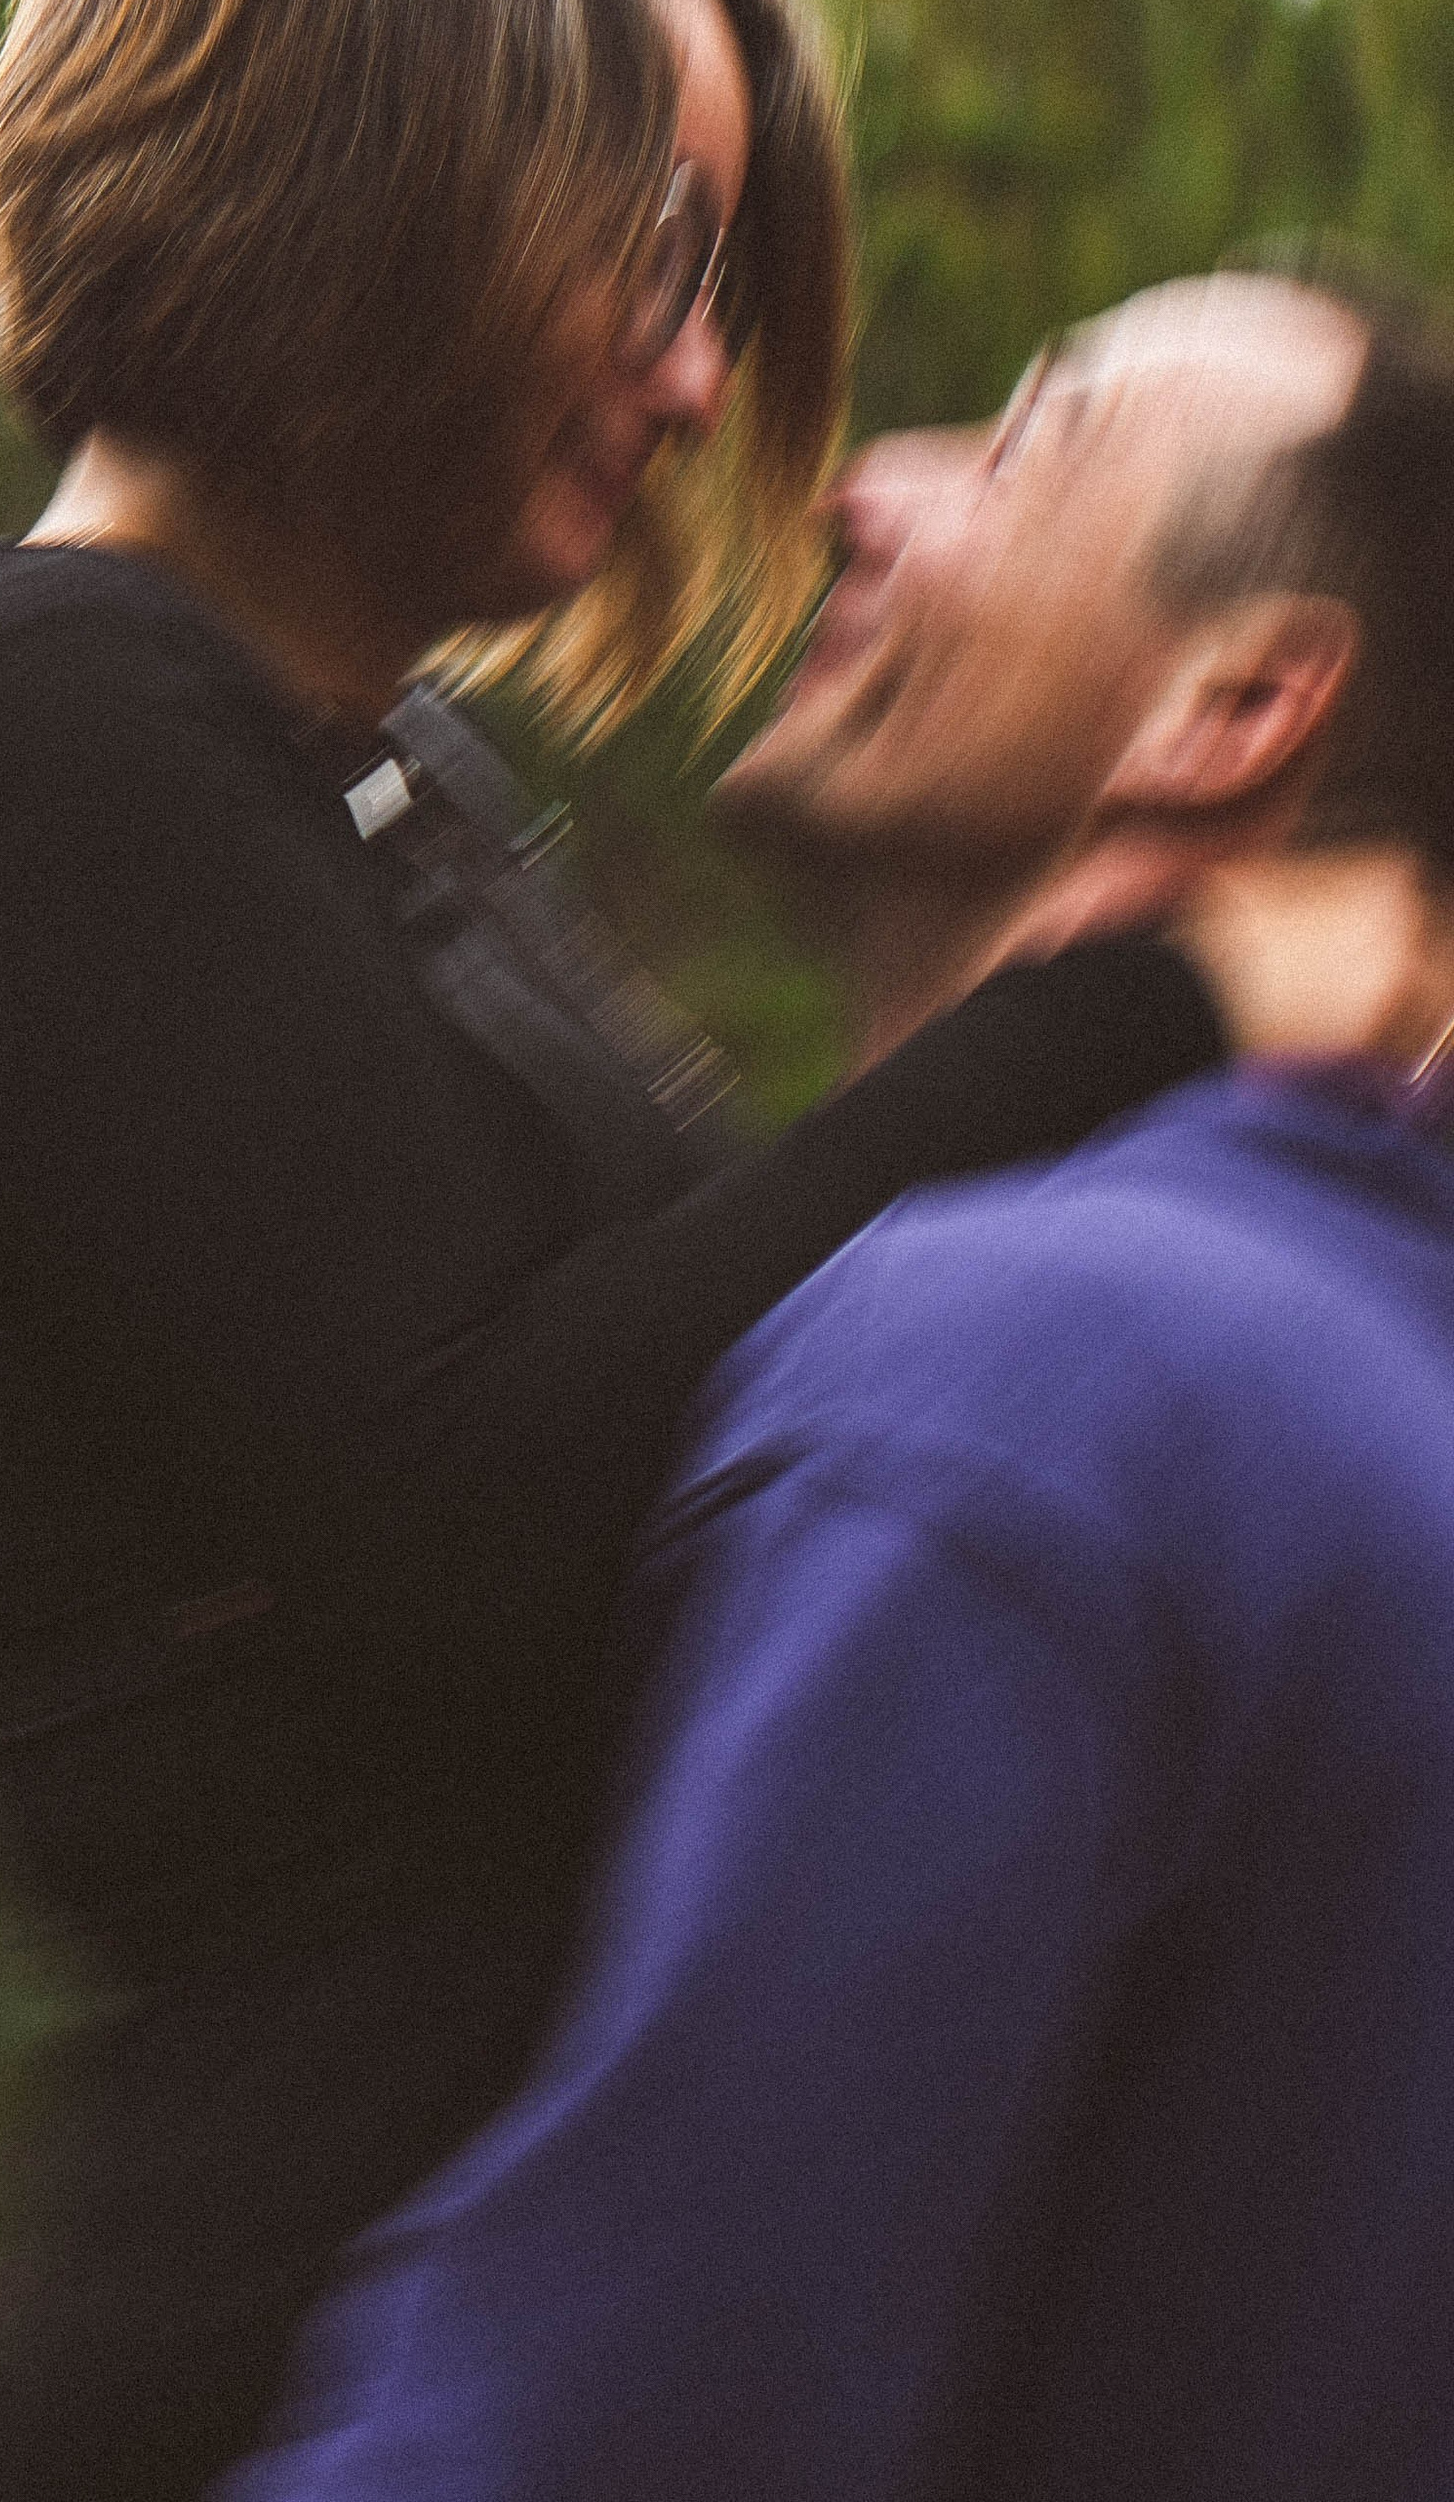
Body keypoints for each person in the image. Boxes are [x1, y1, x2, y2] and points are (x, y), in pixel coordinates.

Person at [0, 0, 1218, 2501]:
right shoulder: (25, 725)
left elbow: (699, 1385)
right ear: (379, 153)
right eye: (657, 254)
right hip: (323, 2342)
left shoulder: (374, 765)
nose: (699, 380)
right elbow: (483, 1513)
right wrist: (1140, 995)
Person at [231, 269, 1454, 2502]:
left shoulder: (1013, 1399)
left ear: (1236, 699)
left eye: (1016, 448)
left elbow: (585, 2438)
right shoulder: (1367, 1366)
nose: (854, 491)